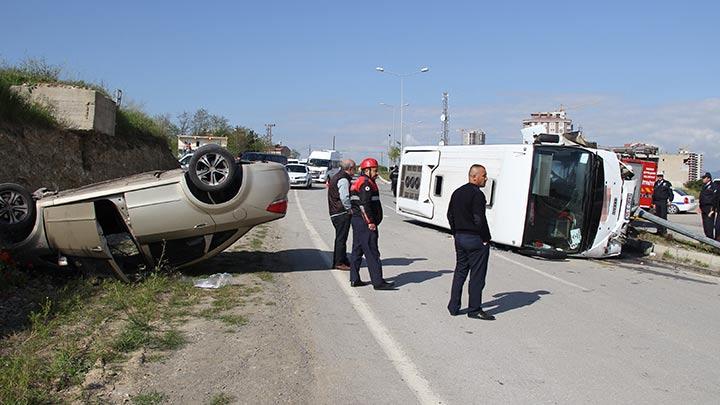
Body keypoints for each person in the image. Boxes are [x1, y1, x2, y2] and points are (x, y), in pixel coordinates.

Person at [447, 164, 494, 320]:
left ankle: (453, 306)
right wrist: (486, 239)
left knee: (460, 271)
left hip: (460, 238)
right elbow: (479, 219)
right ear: (474, 176)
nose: (486, 178)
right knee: (477, 275)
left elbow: (450, 215)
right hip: (474, 239)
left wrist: (455, 232)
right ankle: (474, 309)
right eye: (484, 175)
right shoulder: (477, 195)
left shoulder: (457, 192)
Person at [348, 158, 395, 290]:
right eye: (374, 170)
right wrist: (370, 222)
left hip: (358, 221)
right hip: (364, 223)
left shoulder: (362, 181)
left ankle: (354, 279)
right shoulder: (366, 184)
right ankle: (378, 282)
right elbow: (364, 205)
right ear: (366, 170)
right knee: (372, 252)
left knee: (357, 250)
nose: (377, 173)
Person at [327, 159, 356, 270]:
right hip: (341, 213)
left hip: (336, 212)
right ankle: (339, 262)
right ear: (350, 169)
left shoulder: (339, 176)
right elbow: (344, 197)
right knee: (341, 239)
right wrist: (349, 209)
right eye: (354, 168)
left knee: (341, 238)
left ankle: (343, 259)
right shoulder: (343, 179)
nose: (355, 170)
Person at [698, 172, 717, 239]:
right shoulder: (704, 186)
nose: (703, 179)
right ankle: (707, 239)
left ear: (709, 178)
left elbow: (714, 198)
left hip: (709, 208)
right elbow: (701, 197)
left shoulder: (713, 186)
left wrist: (712, 210)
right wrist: (700, 206)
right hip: (703, 208)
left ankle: (710, 240)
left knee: (709, 225)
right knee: (705, 225)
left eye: (704, 178)